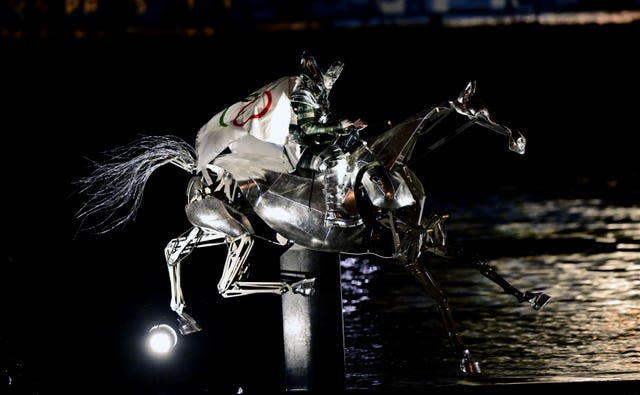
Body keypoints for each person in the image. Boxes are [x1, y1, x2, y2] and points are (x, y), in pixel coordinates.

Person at [289, 54, 367, 227]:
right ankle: (334, 210)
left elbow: (327, 119)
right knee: (336, 159)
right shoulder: (303, 95)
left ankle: (356, 197)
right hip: (304, 148)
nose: (329, 81)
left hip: (319, 141)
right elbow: (307, 128)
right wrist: (338, 126)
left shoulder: (320, 93)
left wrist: (351, 127)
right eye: (327, 77)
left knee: (353, 146)